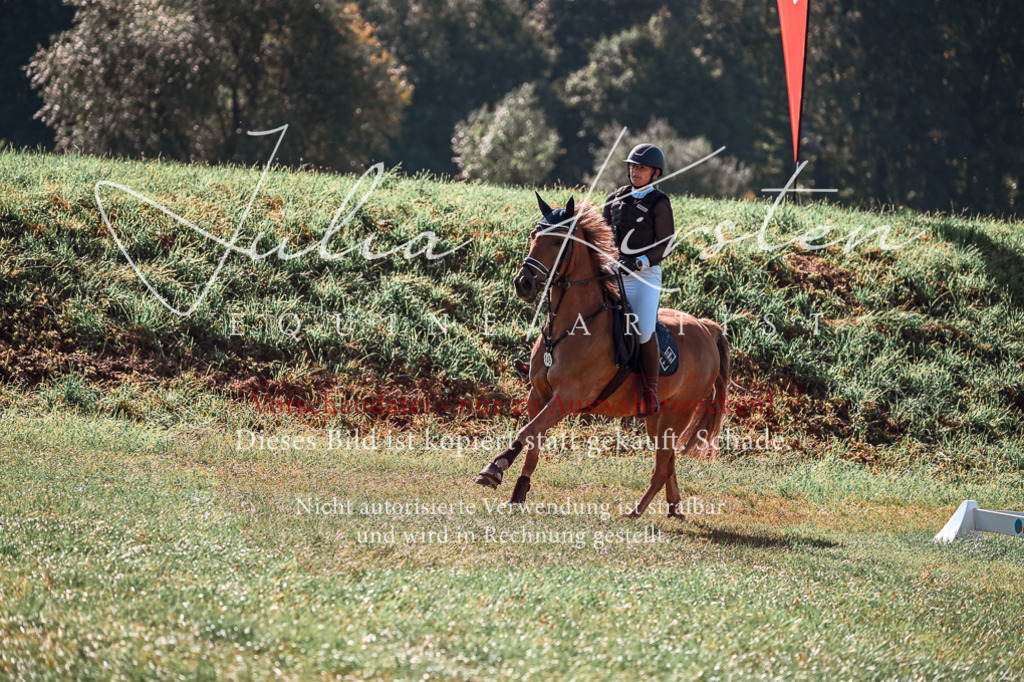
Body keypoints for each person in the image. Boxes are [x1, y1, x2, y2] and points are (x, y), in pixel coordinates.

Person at [603, 143, 675, 415]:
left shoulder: (660, 202)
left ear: (655, 174)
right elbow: (602, 235)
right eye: (633, 167)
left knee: (644, 329)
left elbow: (666, 243)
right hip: (613, 273)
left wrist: (641, 261)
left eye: (641, 168)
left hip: (645, 276)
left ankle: (651, 390)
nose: (635, 172)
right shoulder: (614, 198)